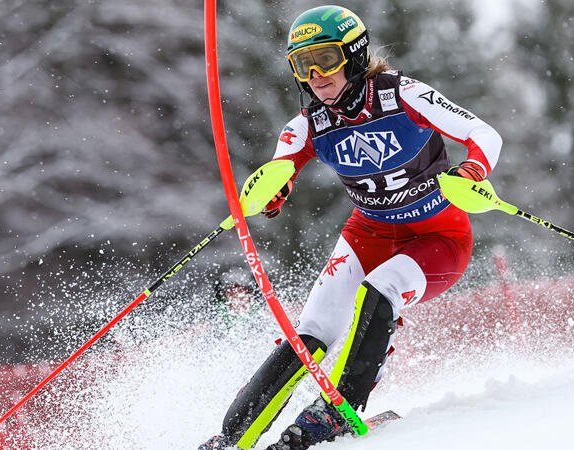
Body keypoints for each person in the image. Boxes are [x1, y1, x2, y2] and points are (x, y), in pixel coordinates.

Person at [199, 5, 502, 449]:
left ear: (355, 56)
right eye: (304, 64)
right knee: (313, 328)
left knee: (380, 291)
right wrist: (273, 192)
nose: (317, 74)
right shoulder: (308, 124)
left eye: (327, 59)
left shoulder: (405, 96)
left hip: (438, 238)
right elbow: (277, 170)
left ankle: (336, 413)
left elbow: (484, 134)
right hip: (369, 234)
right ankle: (233, 436)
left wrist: (472, 169)